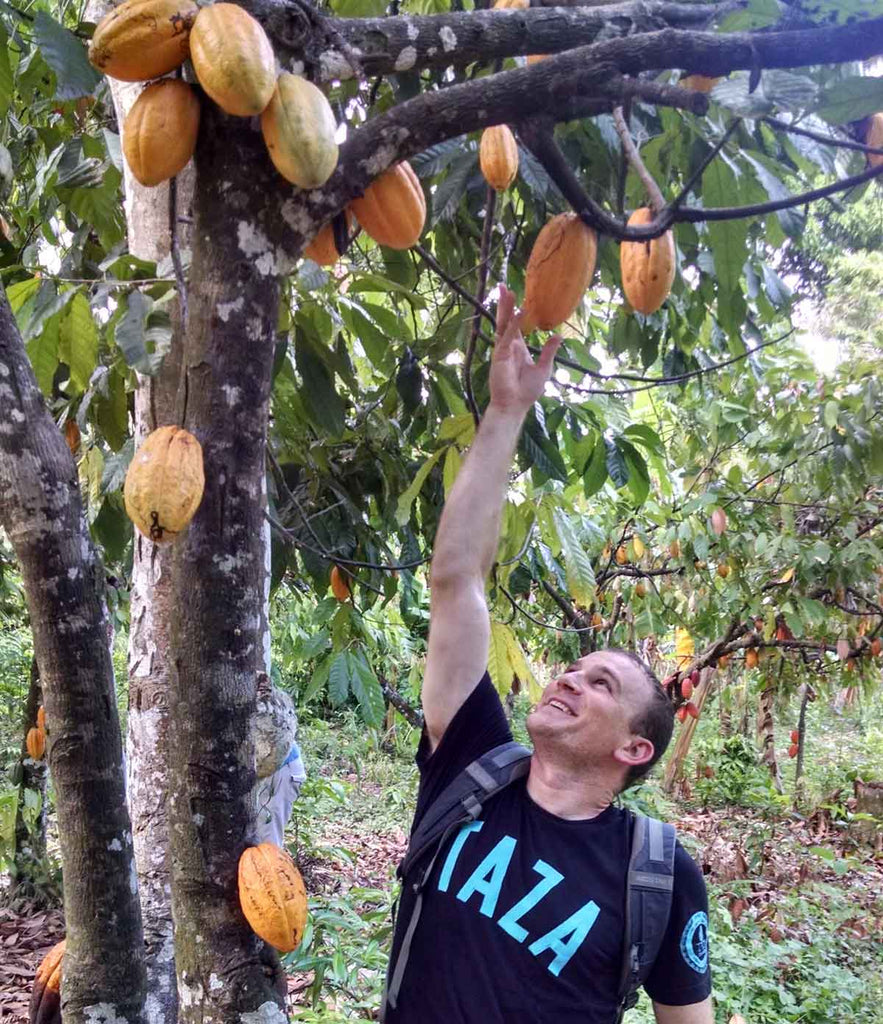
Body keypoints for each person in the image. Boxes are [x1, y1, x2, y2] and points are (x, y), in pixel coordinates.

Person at [382, 286, 713, 1023]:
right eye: (573, 666)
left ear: (634, 747)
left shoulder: (655, 873)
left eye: (600, 682)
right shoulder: (468, 766)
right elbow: (455, 580)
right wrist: (505, 414)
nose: (569, 676)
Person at [252, 672, 306, 847]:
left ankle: (273, 875)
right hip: (275, 771)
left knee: (268, 842)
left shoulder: (268, 706)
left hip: (282, 770)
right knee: (259, 837)